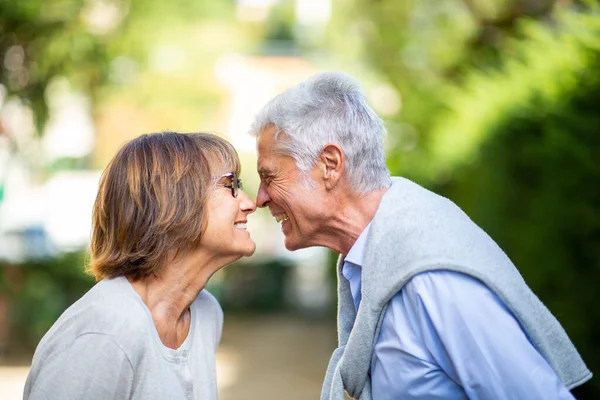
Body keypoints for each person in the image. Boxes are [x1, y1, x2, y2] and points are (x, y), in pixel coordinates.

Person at [250, 72, 592, 400]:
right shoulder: (373, 262)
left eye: (269, 176)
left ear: (330, 164)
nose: (260, 198)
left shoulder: (431, 280)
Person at [23, 132, 257, 400]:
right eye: (230, 185)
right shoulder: (104, 333)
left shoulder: (207, 313)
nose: (249, 203)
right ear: (174, 202)